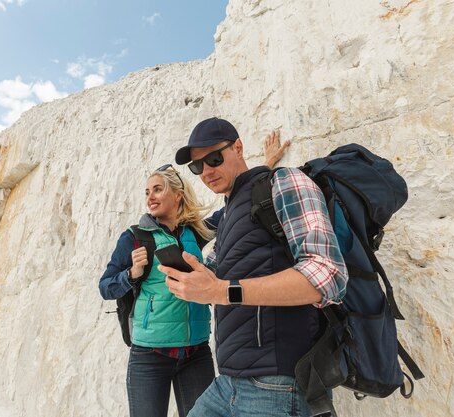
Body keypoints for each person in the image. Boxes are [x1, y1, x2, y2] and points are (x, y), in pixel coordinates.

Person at [160, 117, 349, 417]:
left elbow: (328, 275)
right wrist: (193, 278)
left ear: (238, 147)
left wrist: (224, 291)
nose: (207, 171)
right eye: (198, 166)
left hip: (276, 385)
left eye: (214, 158)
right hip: (228, 384)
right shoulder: (230, 213)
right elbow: (213, 277)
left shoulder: (285, 182)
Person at [98, 164, 219, 417]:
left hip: (196, 352)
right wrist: (132, 274)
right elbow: (105, 287)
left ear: (177, 195)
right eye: (146, 192)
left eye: (157, 189)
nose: (150, 197)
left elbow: (232, 208)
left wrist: (266, 165)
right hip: (149, 355)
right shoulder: (134, 236)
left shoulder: (195, 233)